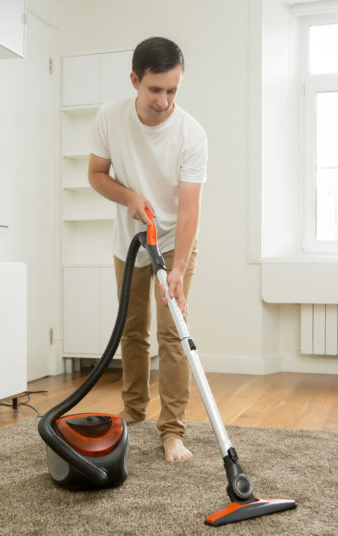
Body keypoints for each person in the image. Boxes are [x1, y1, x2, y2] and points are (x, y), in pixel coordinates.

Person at [87, 36, 208, 463]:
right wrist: (129, 198)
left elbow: (190, 207)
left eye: (172, 90)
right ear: (136, 80)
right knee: (132, 331)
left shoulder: (191, 133)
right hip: (130, 242)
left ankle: (172, 431)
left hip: (176, 242)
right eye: (155, 90)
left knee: (173, 334)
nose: (163, 101)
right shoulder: (110, 118)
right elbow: (97, 175)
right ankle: (134, 413)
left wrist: (176, 270)